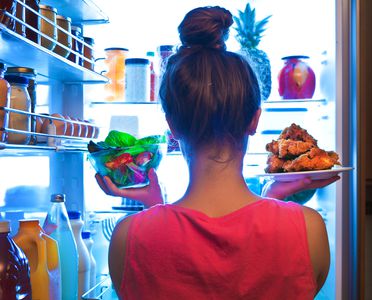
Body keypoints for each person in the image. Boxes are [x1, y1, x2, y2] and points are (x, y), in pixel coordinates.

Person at [95, 6, 339, 299]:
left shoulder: (127, 237)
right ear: (254, 120)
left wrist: (154, 210)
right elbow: (252, 249)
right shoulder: (309, 229)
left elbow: (169, 252)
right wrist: (273, 199)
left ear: (171, 127)